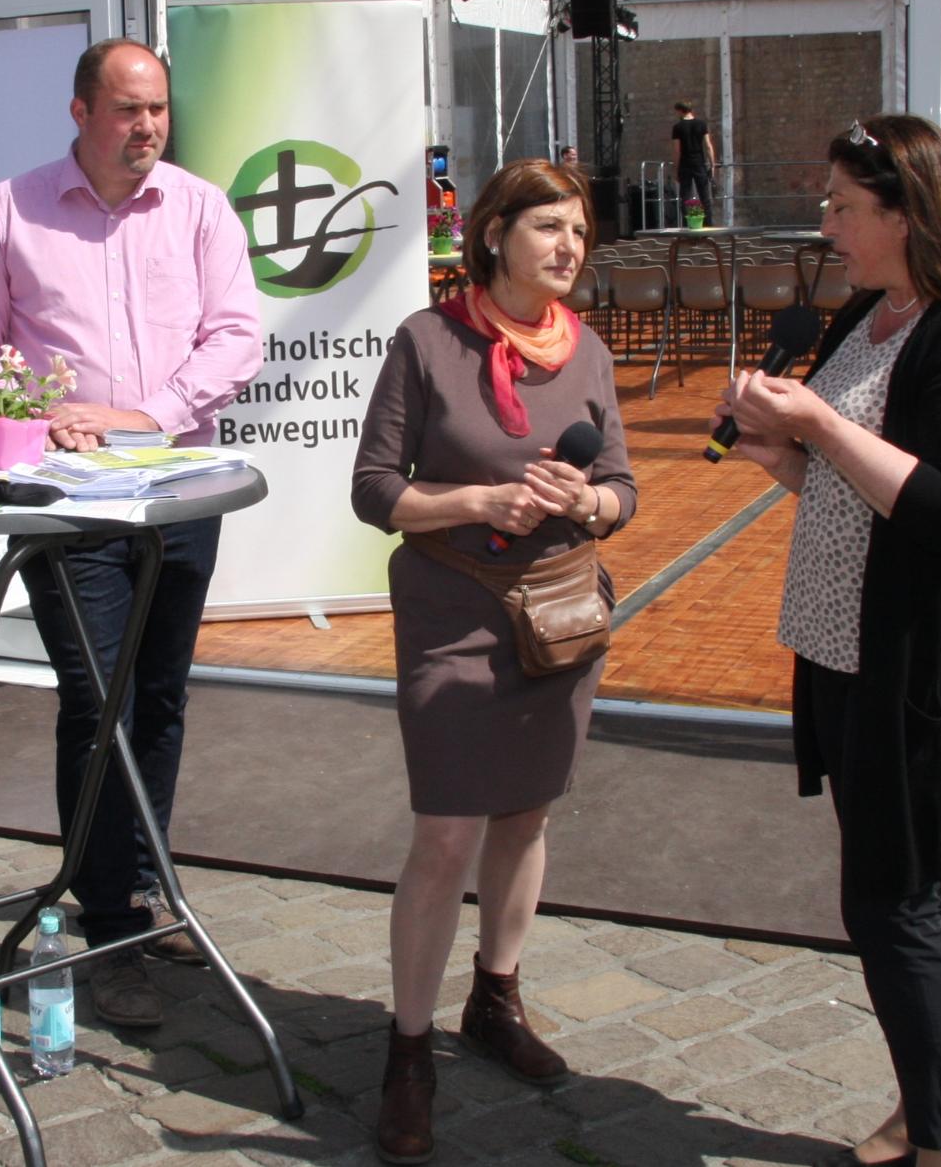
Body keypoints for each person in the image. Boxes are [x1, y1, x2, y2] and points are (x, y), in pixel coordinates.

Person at [714, 115, 941, 1167]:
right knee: (897, 890)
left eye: (844, 206)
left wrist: (816, 421)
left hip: (920, 662)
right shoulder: (867, 312)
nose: (826, 223)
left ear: (910, 213)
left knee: (896, 895)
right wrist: (782, 451)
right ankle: (925, 1109)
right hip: (843, 646)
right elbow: (853, 493)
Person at [0, 38, 261, 1029]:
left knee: (157, 693)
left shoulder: (202, 207)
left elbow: (238, 332)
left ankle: (142, 877)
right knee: (96, 696)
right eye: (127, 110)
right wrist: (35, 415)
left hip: (176, 490)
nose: (147, 128)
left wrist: (152, 412)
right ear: (80, 111)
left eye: (158, 109)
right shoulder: (9, 208)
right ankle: (105, 911)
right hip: (69, 506)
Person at [351, 159, 637, 1164]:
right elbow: (375, 489)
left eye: (580, 233)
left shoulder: (589, 349)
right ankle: (408, 1049)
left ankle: (497, 998)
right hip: (452, 614)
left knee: (526, 812)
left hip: (556, 615)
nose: (568, 247)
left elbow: (622, 487)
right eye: (549, 227)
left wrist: (585, 503)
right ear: (494, 232)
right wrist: (478, 500)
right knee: (444, 835)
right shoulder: (426, 342)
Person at [670, 101, 716, 221]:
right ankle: (708, 224)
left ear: (680, 111)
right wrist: (713, 165)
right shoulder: (701, 124)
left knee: (685, 196)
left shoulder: (677, 127)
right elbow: (708, 146)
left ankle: (689, 225)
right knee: (705, 196)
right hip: (699, 163)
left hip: (685, 164)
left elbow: (677, 150)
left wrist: (675, 169)